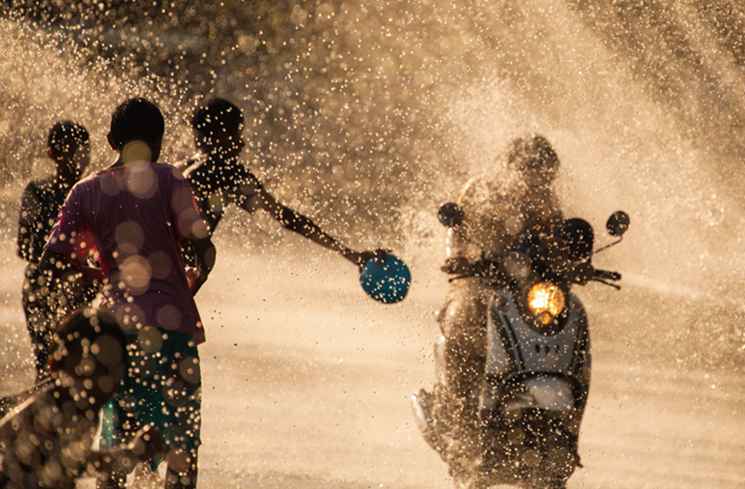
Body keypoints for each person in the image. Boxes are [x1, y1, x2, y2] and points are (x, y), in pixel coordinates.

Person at [35, 98, 216, 489]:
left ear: (110, 139)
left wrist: (77, 301)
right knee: (183, 447)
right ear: (161, 141)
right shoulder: (171, 180)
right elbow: (205, 251)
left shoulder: (85, 192)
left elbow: (51, 263)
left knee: (119, 443)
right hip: (174, 331)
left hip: (117, 334)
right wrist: (191, 281)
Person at [414, 134, 565, 471]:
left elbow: (557, 243)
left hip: (525, 293)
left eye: (545, 174)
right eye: (532, 170)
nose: (538, 179)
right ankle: (456, 419)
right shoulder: (481, 190)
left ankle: (552, 429)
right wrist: (457, 257)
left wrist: (573, 262)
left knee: (558, 332)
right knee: (462, 319)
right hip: (477, 282)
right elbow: (457, 230)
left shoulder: (546, 201)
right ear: (513, 166)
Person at [179, 97, 376, 268]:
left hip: (155, 261)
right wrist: (350, 254)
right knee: (204, 255)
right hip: (173, 271)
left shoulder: (177, 169)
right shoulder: (228, 174)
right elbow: (287, 218)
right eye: (236, 135)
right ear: (220, 137)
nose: (242, 143)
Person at [0, 309, 163, 489]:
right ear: (64, 362)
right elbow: (71, 462)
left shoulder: (84, 406)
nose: (106, 381)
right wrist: (130, 454)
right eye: (97, 368)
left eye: (115, 368)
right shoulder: (58, 405)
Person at [16, 120, 91, 384]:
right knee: (53, 367)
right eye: (72, 150)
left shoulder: (86, 193)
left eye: (81, 151)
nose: (78, 158)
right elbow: (26, 249)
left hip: (56, 286)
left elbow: (25, 247)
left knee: (61, 368)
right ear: (52, 154)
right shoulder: (88, 193)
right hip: (57, 288)